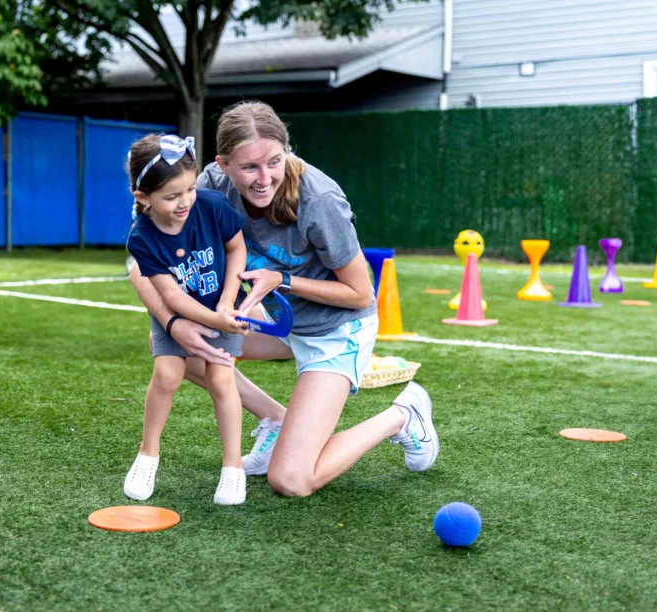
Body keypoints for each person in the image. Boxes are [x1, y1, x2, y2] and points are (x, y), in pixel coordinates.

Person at [129, 101, 438, 498]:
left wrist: (283, 279)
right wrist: (174, 324)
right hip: (277, 321)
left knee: (290, 480)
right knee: (172, 348)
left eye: (275, 161)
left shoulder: (320, 200)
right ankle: (275, 418)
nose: (264, 178)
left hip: (336, 329)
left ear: (288, 150)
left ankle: (403, 415)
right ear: (223, 165)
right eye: (249, 168)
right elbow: (139, 267)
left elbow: (361, 293)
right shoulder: (203, 187)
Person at [123, 133, 250, 505]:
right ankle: (148, 454)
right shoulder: (141, 238)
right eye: (172, 196)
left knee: (221, 379)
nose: (185, 202)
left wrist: (226, 305)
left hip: (220, 304)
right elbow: (172, 296)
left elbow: (237, 248)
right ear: (142, 198)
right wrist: (212, 318)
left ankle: (232, 467)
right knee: (167, 374)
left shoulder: (211, 205)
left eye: (190, 189)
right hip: (182, 313)